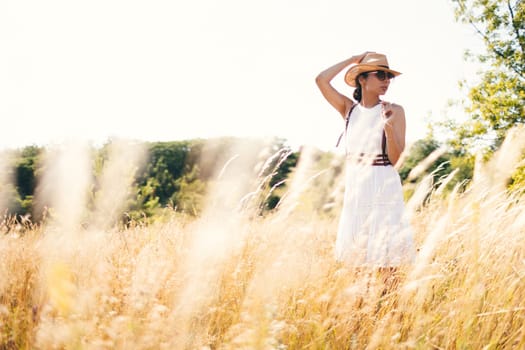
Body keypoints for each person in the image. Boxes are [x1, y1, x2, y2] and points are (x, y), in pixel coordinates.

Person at [315, 52, 415, 270]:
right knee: (357, 260)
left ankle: (392, 304)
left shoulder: (395, 111)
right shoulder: (348, 110)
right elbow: (321, 80)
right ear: (362, 79)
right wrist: (352, 60)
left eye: (389, 76)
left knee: (388, 262)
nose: (386, 81)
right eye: (380, 75)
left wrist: (387, 126)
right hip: (357, 188)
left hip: (383, 185)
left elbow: (396, 160)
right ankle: (362, 305)